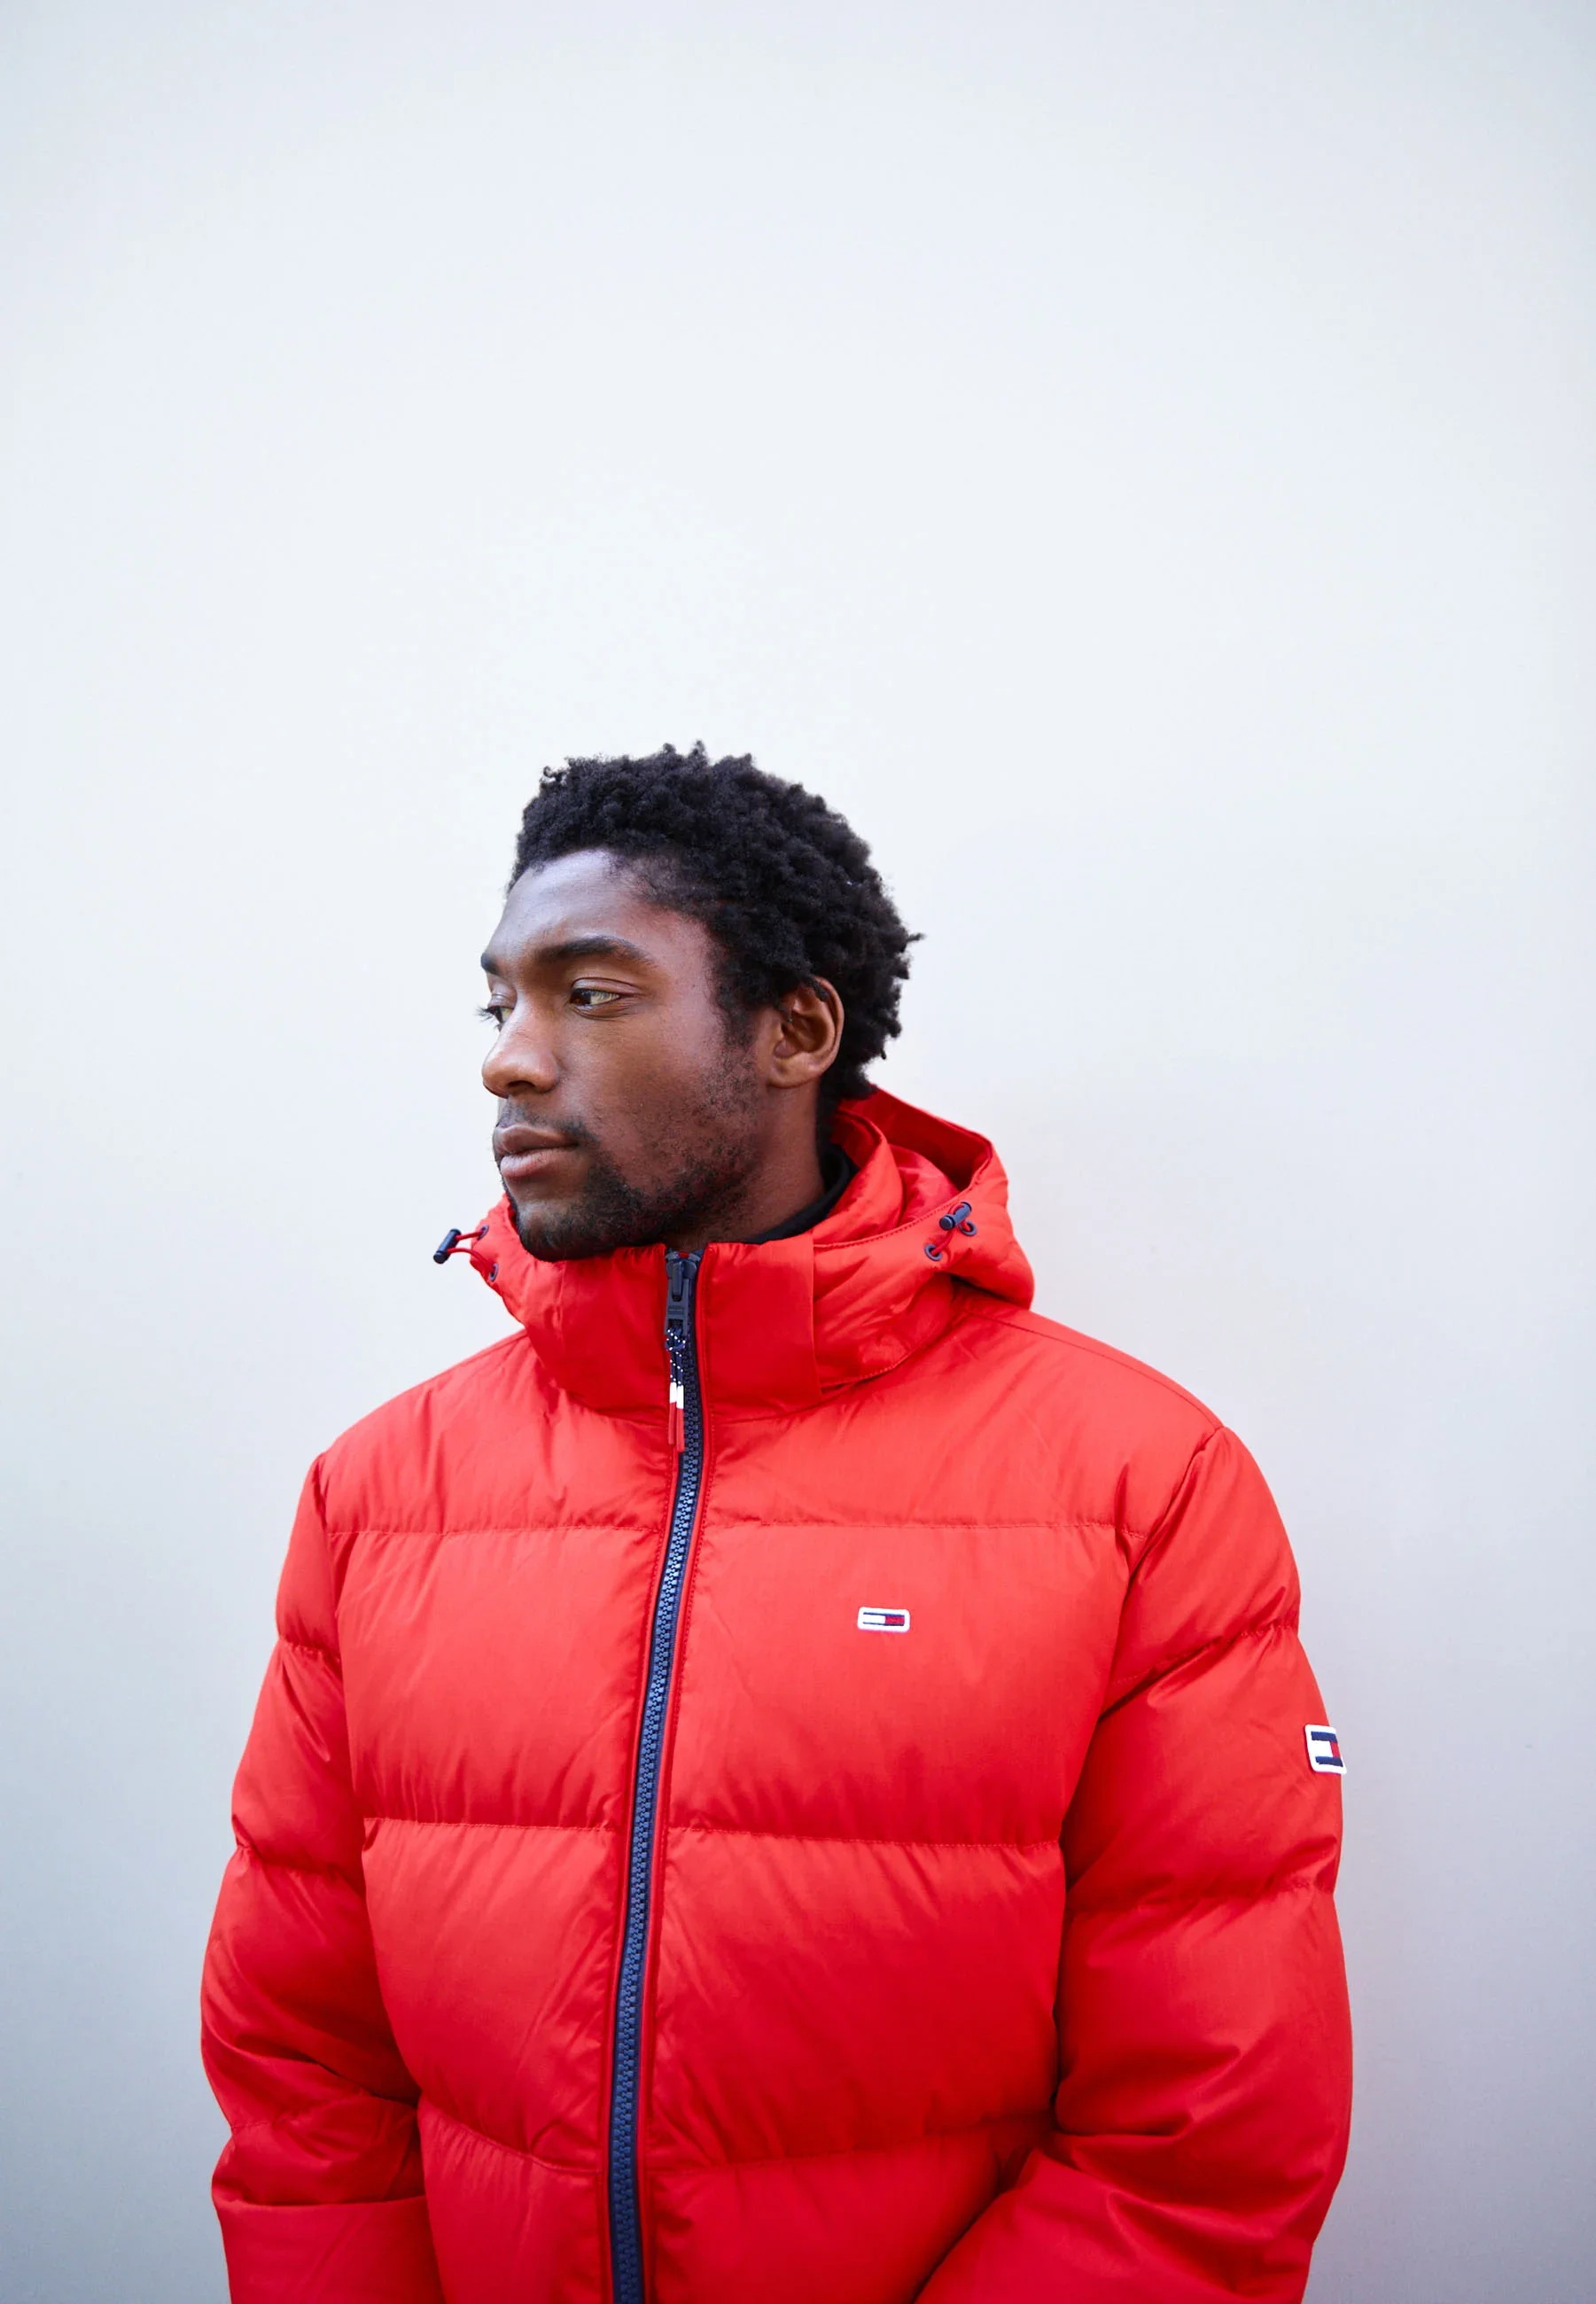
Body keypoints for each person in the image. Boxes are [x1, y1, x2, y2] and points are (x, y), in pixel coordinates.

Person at [201, 745, 1351, 2304]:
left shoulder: (1140, 1485)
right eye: (501, 1005)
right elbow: (300, 2069)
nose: (509, 1061)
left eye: (590, 994)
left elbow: (1203, 2129)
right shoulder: (380, 1496)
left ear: (799, 1030)